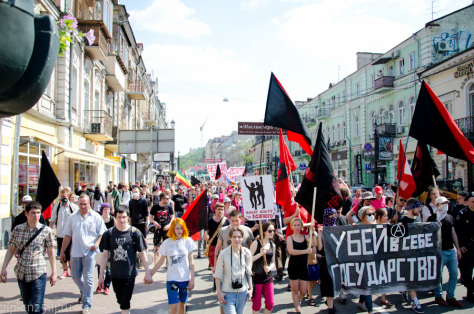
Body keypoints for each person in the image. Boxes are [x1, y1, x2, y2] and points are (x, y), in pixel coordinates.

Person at [1, 201, 57, 314]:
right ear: (26, 213)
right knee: (28, 306)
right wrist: (4, 268)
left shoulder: (46, 231)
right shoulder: (18, 229)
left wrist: (54, 272)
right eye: (33, 213)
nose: (36, 216)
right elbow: (11, 249)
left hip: (38, 273)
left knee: (36, 308)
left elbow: (51, 252)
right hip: (22, 272)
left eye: (38, 213)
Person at [99, 206, 152, 314]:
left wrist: (148, 272)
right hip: (115, 273)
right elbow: (105, 255)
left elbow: (142, 253)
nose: (121, 220)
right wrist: (101, 275)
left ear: (128, 217)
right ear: (115, 217)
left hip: (129, 273)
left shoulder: (135, 233)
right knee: (120, 299)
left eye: (124, 217)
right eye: (119, 217)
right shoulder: (109, 234)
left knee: (125, 302)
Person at [60, 193, 107, 314]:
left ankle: (87, 305)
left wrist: (96, 244)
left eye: (85, 204)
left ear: (89, 203)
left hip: (90, 253)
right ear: (77, 204)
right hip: (75, 251)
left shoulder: (96, 217)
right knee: (75, 276)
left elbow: (102, 233)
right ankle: (84, 291)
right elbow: (67, 236)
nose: (82, 206)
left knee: (89, 278)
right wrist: (62, 251)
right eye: (80, 204)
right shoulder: (72, 217)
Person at [150, 218, 196, 314]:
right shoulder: (167, 243)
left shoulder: (188, 241)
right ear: (173, 230)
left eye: (181, 228)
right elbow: (161, 261)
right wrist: (150, 274)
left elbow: (191, 262)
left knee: (182, 304)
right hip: (172, 279)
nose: (179, 231)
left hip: (184, 279)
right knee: (174, 306)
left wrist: (192, 279)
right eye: (177, 228)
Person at [427, 197, 463, 308]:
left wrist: (457, 248)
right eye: (444, 203)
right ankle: (438, 296)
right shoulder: (432, 218)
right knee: (438, 275)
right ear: (437, 205)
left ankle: (451, 296)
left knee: (454, 274)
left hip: (450, 250)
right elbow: (429, 235)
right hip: (439, 251)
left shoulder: (450, 217)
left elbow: (453, 233)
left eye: (447, 203)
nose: (446, 205)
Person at [214, 226, 253, 314]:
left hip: (243, 292)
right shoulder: (223, 253)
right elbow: (218, 275)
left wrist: (251, 289)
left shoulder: (247, 253)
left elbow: (248, 273)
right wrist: (219, 292)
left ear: (242, 238)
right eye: (234, 237)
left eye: (239, 237)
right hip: (228, 293)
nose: (237, 239)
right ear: (230, 238)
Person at [398, 198, 425, 313]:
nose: (420, 209)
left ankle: (405, 289)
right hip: (406, 256)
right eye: (418, 207)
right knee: (411, 280)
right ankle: (415, 301)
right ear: (412, 207)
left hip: (417, 255)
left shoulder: (419, 219)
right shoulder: (403, 221)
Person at [287, 217, 314, 313]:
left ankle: (298, 300)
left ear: (301, 226)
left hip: (303, 267)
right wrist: (305, 251)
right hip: (293, 266)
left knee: (303, 291)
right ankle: (298, 310)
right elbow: (291, 251)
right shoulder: (290, 238)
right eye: (295, 225)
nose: (297, 227)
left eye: (298, 225)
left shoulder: (304, 237)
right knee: (294, 290)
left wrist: (312, 232)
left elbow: (313, 243)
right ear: (292, 227)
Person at [50, 188, 78, 279]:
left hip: (70, 234)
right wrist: (49, 231)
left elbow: (77, 219)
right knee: (62, 253)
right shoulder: (57, 207)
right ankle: (65, 270)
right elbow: (52, 220)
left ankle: (72, 270)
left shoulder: (73, 207)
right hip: (60, 233)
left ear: (68, 197)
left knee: (70, 252)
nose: (63, 198)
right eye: (62, 196)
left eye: (65, 196)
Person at [250, 222, 276, 314]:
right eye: (270, 231)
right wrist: (260, 254)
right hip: (256, 278)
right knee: (256, 306)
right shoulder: (256, 243)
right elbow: (249, 259)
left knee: (270, 304)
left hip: (268, 278)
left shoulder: (273, 245)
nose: (272, 232)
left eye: (273, 230)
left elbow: (273, 262)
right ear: (264, 231)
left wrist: (269, 268)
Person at [317, 209, 337, 314]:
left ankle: (330, 302)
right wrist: (320, 234)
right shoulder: (322, 229)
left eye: (334, 215)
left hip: (337, 261)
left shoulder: (338, 229)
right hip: (326, 261)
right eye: (330, 215)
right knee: (329, 285)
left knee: (335, 285)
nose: (333, 217)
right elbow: (320, 247)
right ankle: (331, 308)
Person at [206, 202, 229, 292]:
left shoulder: (226, 221)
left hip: (223, 246)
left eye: (222, 209)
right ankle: (216, 283)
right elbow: (207, 231)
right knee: (214, 266)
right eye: (218, 209)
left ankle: (221, 284)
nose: (220, 211)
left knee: (224, 265)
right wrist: (206, 236)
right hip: (213, 246)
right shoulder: (210, 221)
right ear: (215, 210)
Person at [455, 191, 474, 303]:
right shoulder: (462, 214)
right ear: (467, 202)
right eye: (472, 201)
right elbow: (457, 231)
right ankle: (470, 291)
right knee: (467, 273)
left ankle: (472, 289)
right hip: (467, 247)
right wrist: (460, 246)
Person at [356, 206, 376, 314]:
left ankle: (361, 301)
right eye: (369, 214)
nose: (372, 216)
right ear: (363, 216)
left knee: (366, 283)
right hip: (362, 260)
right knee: (367, 283)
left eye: (373, 213)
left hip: (373, 259)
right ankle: (370, 309)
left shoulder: (376, 227)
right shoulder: (357, 228)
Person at [95, 203, 115, 295]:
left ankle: (107, 286)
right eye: (105, 209)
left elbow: (116, 230)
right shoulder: (98, 219)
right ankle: (100, 284)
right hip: (101, 243)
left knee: (109, 267)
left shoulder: (112, 219)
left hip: (110, 244)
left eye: (108, 209)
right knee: (100, 265)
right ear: (101, 210)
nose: (106, 211)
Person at [149, 193, 175, 264]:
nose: (168, 200)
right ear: (162, 199)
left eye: (168, 198)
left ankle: (168, 263)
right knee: (156, 246)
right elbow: (150, 218)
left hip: (166, 228)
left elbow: (173, 217)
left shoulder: (169, 207)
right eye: (166, 198)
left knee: (167, 246)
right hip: (158, 229)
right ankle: (156, 263)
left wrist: (169, 225)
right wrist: (154, 223)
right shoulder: (155, 207)